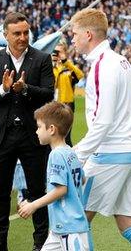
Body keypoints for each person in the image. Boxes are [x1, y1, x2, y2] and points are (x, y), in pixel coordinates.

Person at [70, 8, 131, 251]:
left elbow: (104, 121)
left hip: (111, 154)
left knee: (76, 221)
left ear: (88, 34)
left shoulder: (102, 65)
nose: (72, 39)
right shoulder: (120, 61)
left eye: (74, 33)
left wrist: (77, 155)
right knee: (129, 225)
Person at [0, 11, 54, 251]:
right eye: (17, 33)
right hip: (2, 136)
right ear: (5, 35)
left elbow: (48, 94)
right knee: (0, 192)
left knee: (37, 191)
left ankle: (41, 243)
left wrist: (25, 89)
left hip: (33, 136)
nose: (22, 37)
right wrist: (3, 88)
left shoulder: (42, 58)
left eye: (25, 33)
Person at [18, 101, 92, 251]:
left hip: (69, 229)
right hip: (60, 229)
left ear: (51, 129)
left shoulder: (56, 155)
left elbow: (61, 190)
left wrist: (33, 205)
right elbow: (82, 179)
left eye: (39, 127)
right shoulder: (70, 152)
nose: (36, 131)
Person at [51, 42, 84, 146]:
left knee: (66, 136)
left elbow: (80, 75)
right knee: (52, 136)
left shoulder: (68, 68)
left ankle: (68, 160)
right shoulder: (51, 68)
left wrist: (66, 62)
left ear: (65, 53)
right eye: (55, 51)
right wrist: (53, 64)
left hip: (67, 105)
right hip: (53, 105)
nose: (57, 54)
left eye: (59, 52)